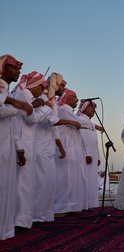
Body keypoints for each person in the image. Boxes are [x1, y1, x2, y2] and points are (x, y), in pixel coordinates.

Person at [12, 71, 53, 229]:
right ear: (35, 85)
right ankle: (19, 222)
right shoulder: (24, 94)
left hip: (27, 144)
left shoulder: (25, 95)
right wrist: (45, 107)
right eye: (42, 86)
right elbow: (32, 118)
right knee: (23, 185)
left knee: (27, 184)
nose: (43, 89)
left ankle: (23, 220)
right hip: (22, 144)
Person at [0, 54, 32, 240]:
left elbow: (13, 124)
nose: (19, 71)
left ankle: (5, 229)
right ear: (4, 68)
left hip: (7, 145)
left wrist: (18, 147)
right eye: (15, 68)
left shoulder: (6, 89)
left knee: (6, 188)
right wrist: (20, 107)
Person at [33, 72, 68, 223]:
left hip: (48, 146)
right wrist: (71, 122)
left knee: (48, 182)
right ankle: (35, 215)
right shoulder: (43, 100)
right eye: (63, 85)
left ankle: (45, 214)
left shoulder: (51, 101)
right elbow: (51, 121)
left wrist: (59, 146)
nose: (64, 89)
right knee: (41, 182)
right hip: (38, 145)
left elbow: (54, 128)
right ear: (56, 85)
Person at [54, 88, 84, 214]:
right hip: (66, 146)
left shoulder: (69, 111)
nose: (77, 99)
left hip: (72, 147)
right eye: (74, 97)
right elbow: (80, 122)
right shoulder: (63, 109)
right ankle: (59, 207)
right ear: (66, 99)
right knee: (64, 177)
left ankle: (70, 206)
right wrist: (93, 125)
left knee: (72, 177)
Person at [78, 100, 103, 209]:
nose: (93, 110)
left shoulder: (88, 122)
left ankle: (91, 203)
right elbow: (82, 138)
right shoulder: (80, 119)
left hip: (93, 155)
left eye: (94, 108)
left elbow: (95, 141)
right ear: (84, 108)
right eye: (91, 107)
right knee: (84, 178)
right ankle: (84, 204)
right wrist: (87, 154)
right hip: (85, 154)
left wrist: (97, 156)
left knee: (92, 179)